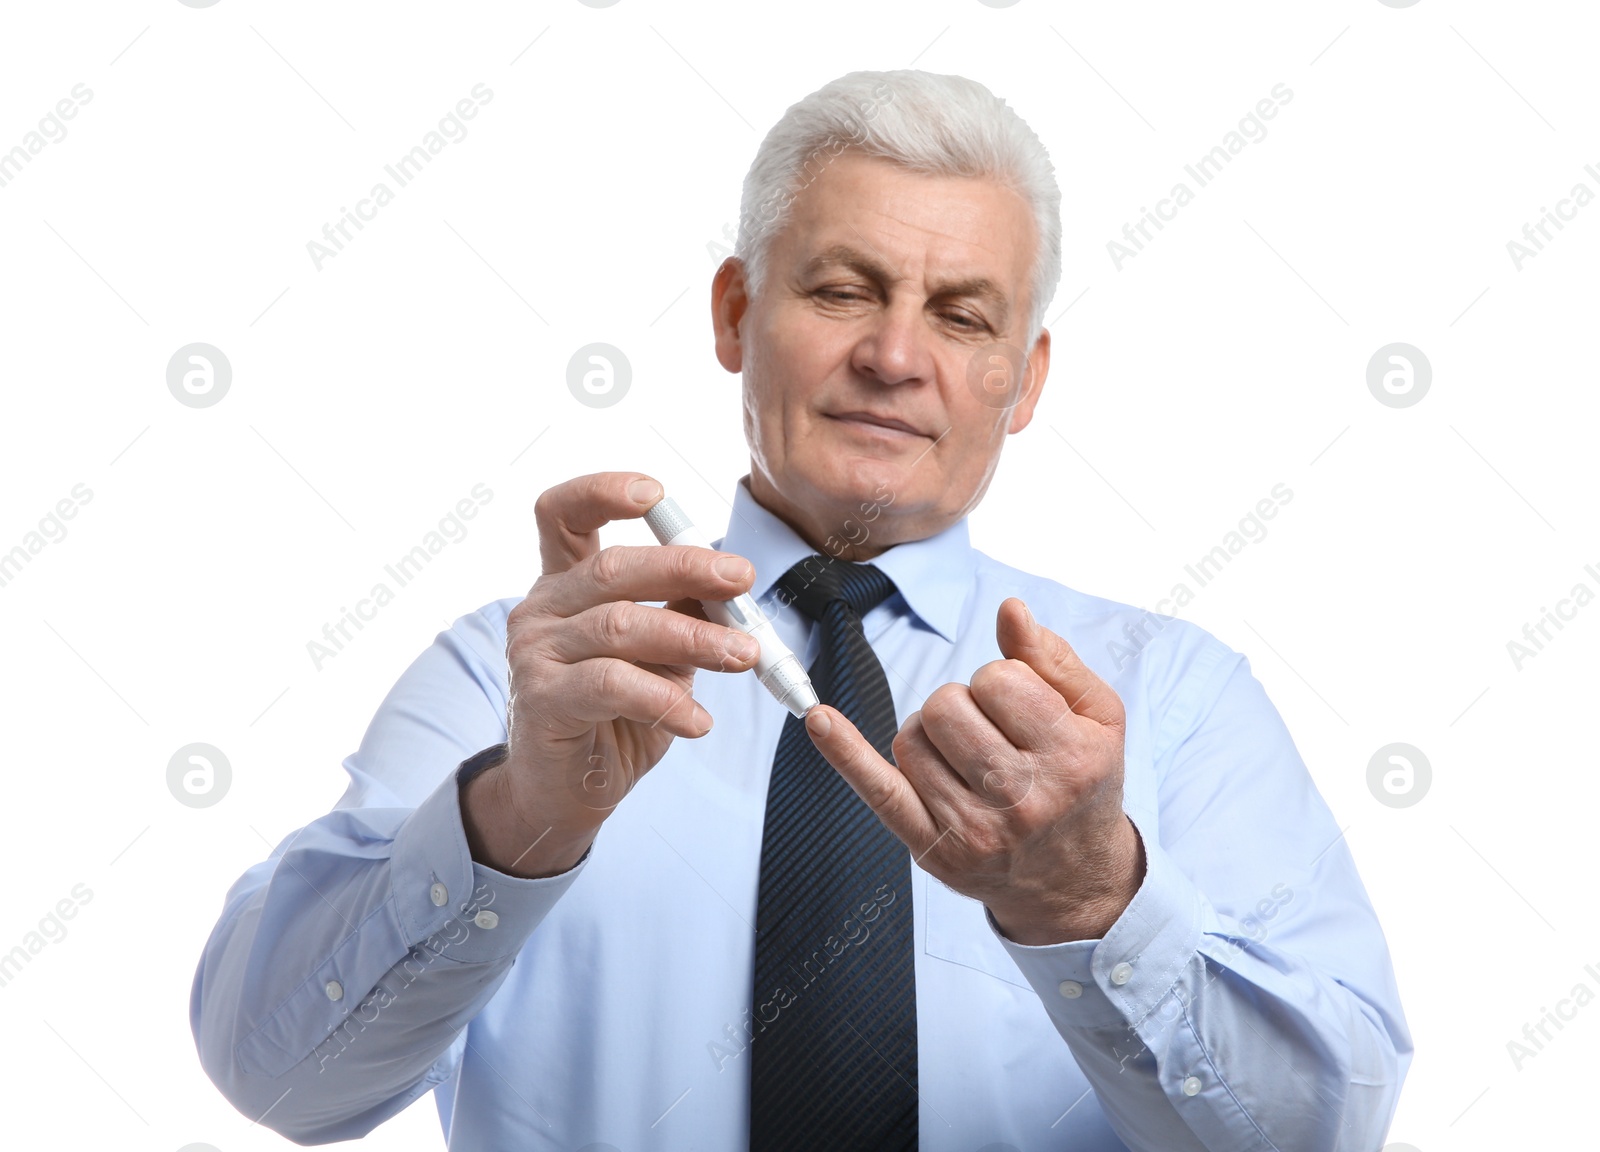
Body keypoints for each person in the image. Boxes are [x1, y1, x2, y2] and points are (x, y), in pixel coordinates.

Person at [191, 69, 1410, 1150]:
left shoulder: (1176, 703)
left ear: (1024, 378)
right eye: (841, 290)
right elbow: (278, 1078)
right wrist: (514, 820)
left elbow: (1320, 1132)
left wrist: (1092, 906)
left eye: (962, 314)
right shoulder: (524, 682)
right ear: (734, 314)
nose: (893, 355)